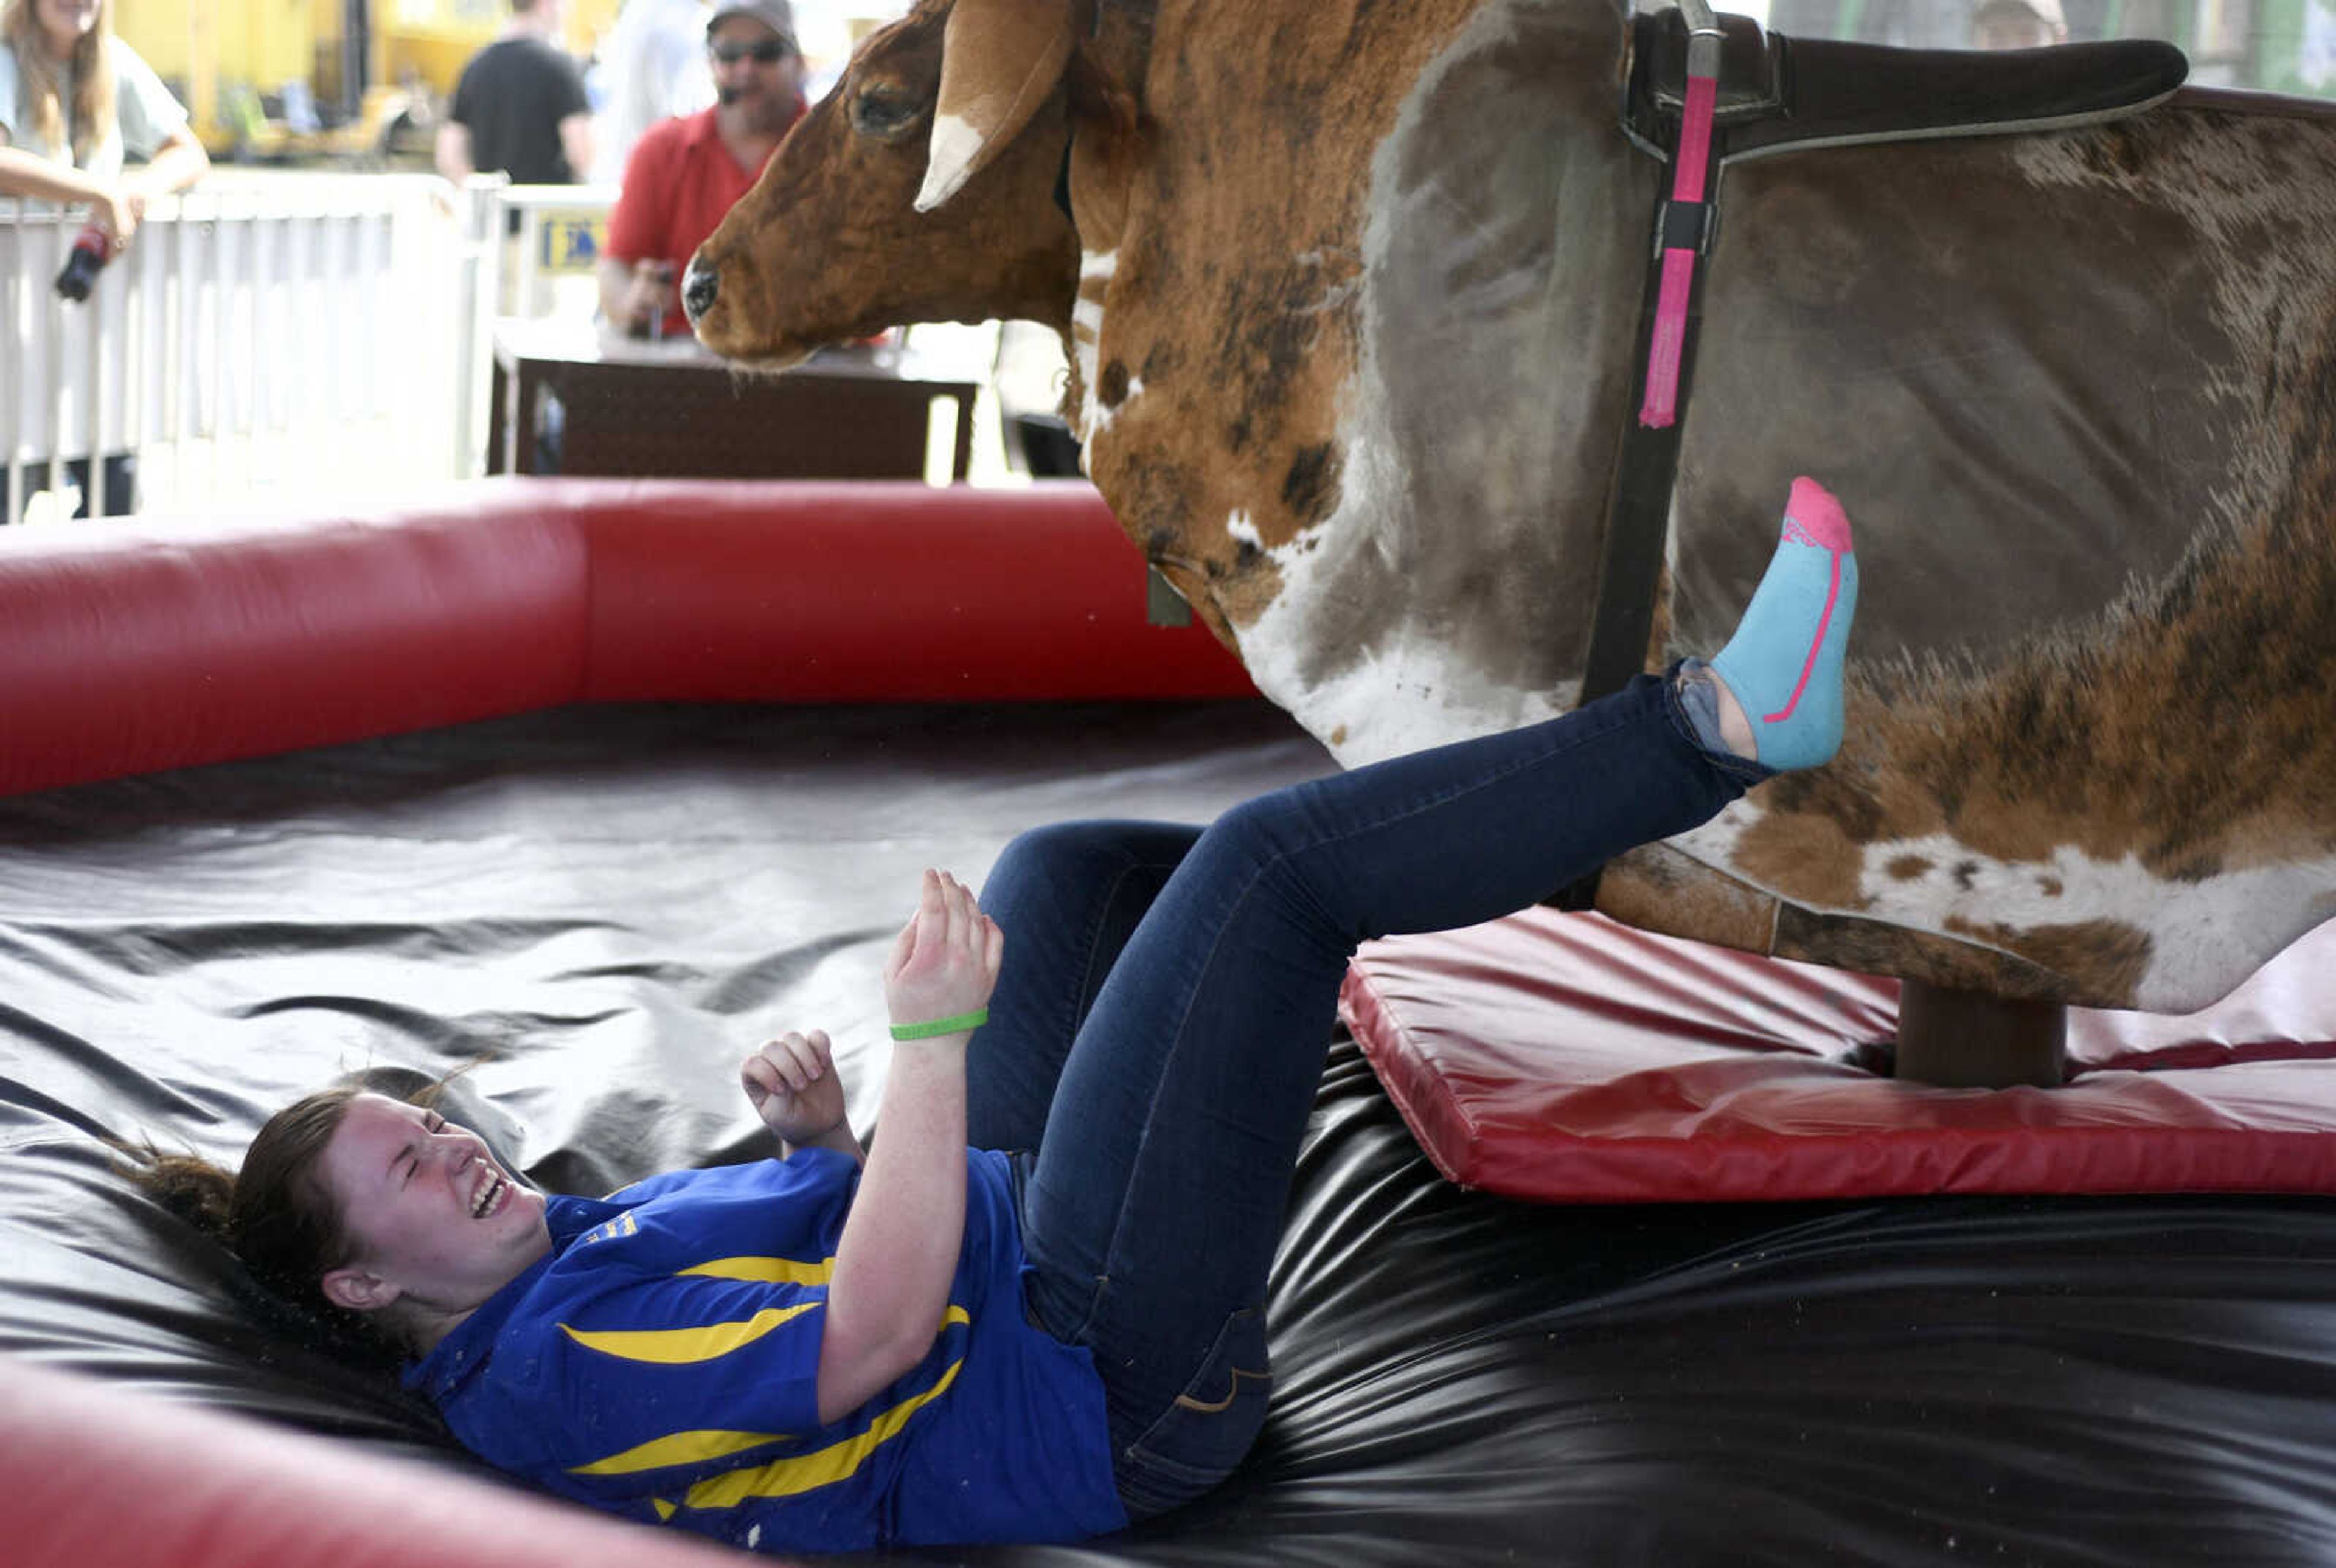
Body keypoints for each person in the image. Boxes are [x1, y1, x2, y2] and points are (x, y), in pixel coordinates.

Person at [128, 480, 1861, 1551]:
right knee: (1264, 877)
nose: (456, 1151)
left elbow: (808, 1267)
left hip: (1005, 1263)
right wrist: (932, 1044)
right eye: (413, 1175)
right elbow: (864, 1348)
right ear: (366, 1287)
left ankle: (1507, 832)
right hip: (1095, 1383)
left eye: (433, 1126)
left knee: (1071, 865)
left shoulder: (545, 1253)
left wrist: (818, 1145)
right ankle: (1714, 729)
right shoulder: (542, 1374)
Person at [0, 0, 207, 521]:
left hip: (86, 338)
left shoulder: (113, 62)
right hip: (12, 338)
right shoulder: (5, 59)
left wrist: (136, 191)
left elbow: (188, 152)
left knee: (116, 496)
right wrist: (100, 193)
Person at [597, 0, 803, 339]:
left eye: (765, 52)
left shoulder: (841, 152)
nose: (746, 68)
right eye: (730, 53)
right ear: (710, 61)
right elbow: (615, 268)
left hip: (815, 369)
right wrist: (632, 303)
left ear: (797, 62)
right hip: (686, 369)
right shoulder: (661, 149)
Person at [434, 0, 594, 190]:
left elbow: (449, 152)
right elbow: (581, 152)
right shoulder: (561, 68)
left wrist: (479, 195)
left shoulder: (475, 67)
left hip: (493, 212)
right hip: (544, 212)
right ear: (546, 4)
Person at [589, 0, 716, 186]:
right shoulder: (681, 22)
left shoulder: (642, 10)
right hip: (657, 181)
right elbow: (683, 122)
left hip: (622, 174)